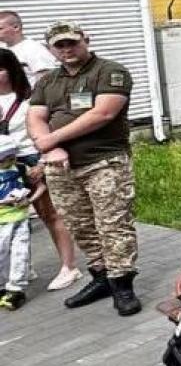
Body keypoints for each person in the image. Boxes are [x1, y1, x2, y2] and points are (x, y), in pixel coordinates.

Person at [26, 21, 141, 316]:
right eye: (59, 45)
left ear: (85, 40)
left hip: (104, 162)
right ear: (51, 49)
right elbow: (35, 117)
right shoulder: (47, 81)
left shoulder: (109, 71)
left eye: (71, 43)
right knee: (81, 226)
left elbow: (103, 113)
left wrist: (51, 139)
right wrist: (49, 147)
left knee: (113, 224)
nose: (67, 50)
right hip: (61, 167)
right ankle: (101, 276)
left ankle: (122, 284)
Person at [0, 33, 79, 292]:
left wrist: (43, 164)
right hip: (4, 167)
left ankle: (69, 266)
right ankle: (22, 266)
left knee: (49, 214)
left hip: (32, 160)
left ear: (12, 70)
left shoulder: (31, 98)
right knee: (12, 217)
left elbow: (48, 131)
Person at [0, 135, 38, 310]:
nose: (8, 162)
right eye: (3, 160)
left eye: (11, 158)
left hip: (20, 219)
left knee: (19, 253)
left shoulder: (21, 169)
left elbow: (41, 187)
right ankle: (2, 286)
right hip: (2, 221)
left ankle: (16, 289)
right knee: (2, 255)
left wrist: (29, 200)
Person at [0, 11, 58, 84]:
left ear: (16, 27)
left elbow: (46, 81)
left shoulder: (34, 49)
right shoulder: (3, 49)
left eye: (0, 28)